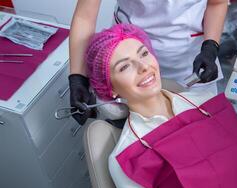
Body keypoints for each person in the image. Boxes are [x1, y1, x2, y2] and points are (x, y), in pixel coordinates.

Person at [85, 23, 237, 188]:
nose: (143, 67)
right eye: (125, 66)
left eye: (144, 54)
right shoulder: (127, 159)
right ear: (109, 88)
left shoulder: (208, 105)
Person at [69, 0, 228, 125]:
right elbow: (85, 17)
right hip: (129, 56)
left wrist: (210, 47)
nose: (145, 68)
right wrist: (78, 77)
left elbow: (217, 3)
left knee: (203, 128)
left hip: (188, 61)